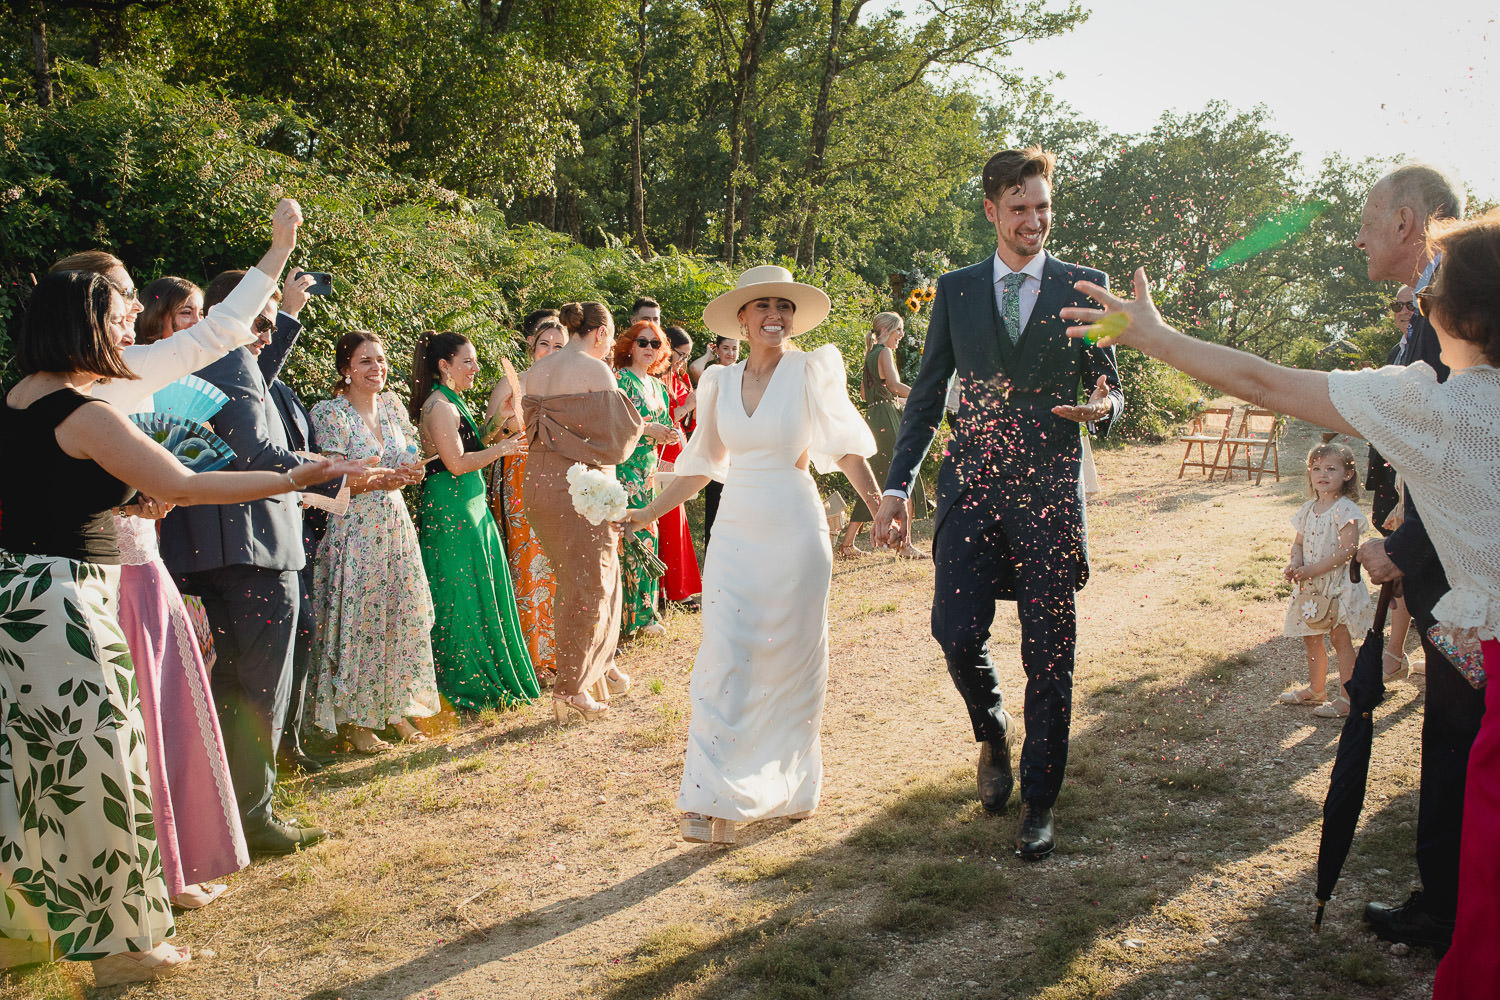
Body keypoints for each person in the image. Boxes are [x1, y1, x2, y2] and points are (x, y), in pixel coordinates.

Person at [1059, 207, 1500, 1000]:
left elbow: (1264, 381)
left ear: (1459, 313)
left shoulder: (1434, 406)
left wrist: (1152, 335)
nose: (1419, 296)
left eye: (1429, 280)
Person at [0, 271, 359, 984]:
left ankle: (23, 932)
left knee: (31, 774)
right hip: (68, 603)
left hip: (18, 595)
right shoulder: (83, 412)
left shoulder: (15, 400)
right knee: (98, 768)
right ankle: (121, 952)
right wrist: (295, 480)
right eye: (114, 317)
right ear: (82, 326)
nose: (125, 329)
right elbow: (185, 485)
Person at [872, 147, 1124, 860]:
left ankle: (1041, 801)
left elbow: (1112, 388)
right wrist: (896, 487)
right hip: (972, 488)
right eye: (1019, 208)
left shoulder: (1085, 285)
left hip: (1048, 493)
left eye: (1042, 207)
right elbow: (924, 399)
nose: (1033, 220)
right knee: (954, 631)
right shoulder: (954, 290)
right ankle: (993, 731)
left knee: (1050, 652)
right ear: (991, 211)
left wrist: (1105, 409)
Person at [620, 265, 880, 845]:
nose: (774, 315)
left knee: (789, 660)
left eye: (784, 307)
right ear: (741, 317)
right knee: (726, 656)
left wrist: (881, 502)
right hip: (735, 529)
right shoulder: (716, 382)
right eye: (762, 305)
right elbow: (701, 464)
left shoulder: (813, 369)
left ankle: (785, 787)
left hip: (795, 527)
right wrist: (644, 513)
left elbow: (842, 447)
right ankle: (709, 795)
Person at [160, 258, 348, 858]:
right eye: (261, 323)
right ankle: (254, 817)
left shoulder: (195, 361)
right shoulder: (228, 359)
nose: (267, 336)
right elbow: (255, 452)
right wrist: (325, 469)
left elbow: (258, 373)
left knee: (223, 688)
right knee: (262, 690)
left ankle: (220, 815)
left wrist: (284, 313)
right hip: (256, 551)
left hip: (200, 550)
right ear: (233, 317)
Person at [1348, 164, 1481, 953]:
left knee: (1459, 736)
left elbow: (1459, 456)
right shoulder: (1429, 310)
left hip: (1457, 571)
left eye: (1366, 217)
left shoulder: (1456, 315)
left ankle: (1450, 907)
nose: (1357, 235)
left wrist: (1399, 548)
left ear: (1406, 222)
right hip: (1439, 556)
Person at [53, 197, 305, 416]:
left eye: (136, 293)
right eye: (127, 293)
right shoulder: (119, 368)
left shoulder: (38, 383)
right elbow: (219, 330)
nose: (138, 306)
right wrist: (280, 250)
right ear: (86, 301)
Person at [310, 332, 437, 751]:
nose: (376, 368)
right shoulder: (331, 412)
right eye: (365, 361)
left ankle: (396, 709)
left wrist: (413, 471)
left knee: (400, 613)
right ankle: (357, 720)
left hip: (394, 524)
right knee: (360, 620)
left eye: (380, 360)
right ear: (345, 369)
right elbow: (331, 477)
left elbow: (408, 458)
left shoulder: (393, 405)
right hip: (354, 527)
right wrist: (381, 478)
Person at [522, 301, 644, 722]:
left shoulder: (536, 371)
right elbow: (619, 438)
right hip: (577, 488)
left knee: (574, 579)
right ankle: (570, 691)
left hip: (537, 486)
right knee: (591, 584)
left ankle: (595, 670)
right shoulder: (595, 369)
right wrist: (642, 425)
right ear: (600, 332)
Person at [413, 331, 539, 711]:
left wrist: (498, 424)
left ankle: (488, 672)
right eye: (467, 361)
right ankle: (463, 682)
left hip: (471, 505)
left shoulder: (453, 402)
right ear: (444, 366)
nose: (475, 368)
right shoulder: (437, 406)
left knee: (478, 592)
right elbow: (455, 463)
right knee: (459, 596)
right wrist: (501, 448)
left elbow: (472, 445)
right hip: (451, 511)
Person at [486, 314, 567, 684]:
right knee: (526, 564)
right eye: (545, 344)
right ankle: (532, 657)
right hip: (518, 480)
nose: (551, 351)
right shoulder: (512, 382)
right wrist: (503, 419)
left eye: (559, 346)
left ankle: (560, 652)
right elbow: (485, 437)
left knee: (556, 565)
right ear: (532, 346)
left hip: (560, 480)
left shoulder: (568, 384)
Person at [1276, 442, 1374, 718]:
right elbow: (1298, 543)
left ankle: (1347, 698)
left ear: (1347, 474)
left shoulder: (1345, 510)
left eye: (1331, 468)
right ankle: (1316, 689)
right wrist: (1295, 564)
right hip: (1311, 586)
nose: (1323, 473)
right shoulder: (1308, 509)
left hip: (1336, 586)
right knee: (1311, 637)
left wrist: (1314, 569)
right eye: (1317, 468)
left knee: (1340, 639)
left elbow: (1348, 550)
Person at [612, 319, 681, 638]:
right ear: (629, 345)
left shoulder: (658, 386)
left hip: (649, 471)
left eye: (655, 344)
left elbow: (665, 422)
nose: (649, 349)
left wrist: (668, 433)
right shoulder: (620, 381)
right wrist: (645, 429)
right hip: (624, 471)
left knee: (649, 536)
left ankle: (647, 613)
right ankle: (629, 619)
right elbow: (612, 426)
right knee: (629, 538)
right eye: (643, 342)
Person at [840, 312, 928, 560]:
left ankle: (847, 544)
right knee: (903, 475)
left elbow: (865, 394)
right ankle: (906, 544)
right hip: (887, 419)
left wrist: (892, 400)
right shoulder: (885, 352)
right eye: (899, 330)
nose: (902, 335)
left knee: (877, 477)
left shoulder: (870, 354)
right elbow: (894, 384)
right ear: (888, 330)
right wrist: (924, 396)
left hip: (873, 417)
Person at [1366, 285, 1418, 680]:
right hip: (1392, 472)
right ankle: (1397, 654)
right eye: (1397, 305)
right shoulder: (1395, 352)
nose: (1403, 310)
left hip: (1416, 476)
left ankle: (1402, 655)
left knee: (1412, 562)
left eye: (1411, 304)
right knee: (1401, 562)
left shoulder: (1430, 351)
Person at [657, 325, 704, 606]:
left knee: (677, 520)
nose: (683, 361)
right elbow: (660, 418)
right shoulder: (656, 378)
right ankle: (669, 591)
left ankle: (679, 589)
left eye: (686, 356)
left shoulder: (676, 376)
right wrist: (686, 407)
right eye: (680, 354)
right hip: (663, 452)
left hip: (677, 450)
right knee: (668, 519)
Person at [688, 334, 741, 549]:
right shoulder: (713, 373)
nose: (730, 353)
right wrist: (708, 356)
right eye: (725, 348)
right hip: (717, 441)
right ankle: (713, 548)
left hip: (740, 443)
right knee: (716, 498)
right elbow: (694, 370)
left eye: (734, 348)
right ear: (717, 349)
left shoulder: (743, 371)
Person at [133, 276, 204, 343]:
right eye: (187, 312)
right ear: (154, 317)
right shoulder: (130, 355)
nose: (198, 322)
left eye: (201, 314)